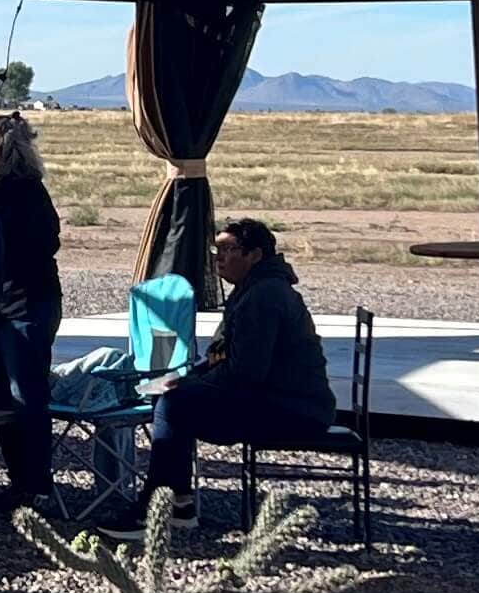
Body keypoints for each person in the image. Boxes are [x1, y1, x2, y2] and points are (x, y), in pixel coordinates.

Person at [143, 217, 342, 521]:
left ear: (255, 255)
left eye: (228, 249)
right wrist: (190, 378)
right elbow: (226, 358)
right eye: (216, 250)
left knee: (174, 404)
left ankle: (154, 505)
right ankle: (176, 499)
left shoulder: (264, 296)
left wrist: (193, 385)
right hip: (281, 398)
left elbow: (247, 371)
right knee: (170, 396)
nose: (219, 257)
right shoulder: (254, 289)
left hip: (295, 408)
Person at [0, 112, 63, 519]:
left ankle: (37, 486)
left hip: (26, 307)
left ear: (4, 151)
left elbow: (42, 246)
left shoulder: (25, 195)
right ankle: (20, 483)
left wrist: (10, 287)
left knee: (26, 396)